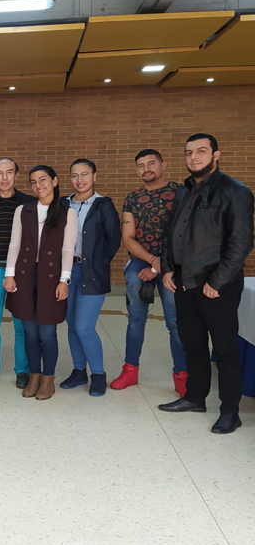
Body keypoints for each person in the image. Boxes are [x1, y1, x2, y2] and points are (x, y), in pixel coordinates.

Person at [159, 133, 254, 434]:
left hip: (216, 286)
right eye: (188, 153)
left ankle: (230, 411)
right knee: (194, 344)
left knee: (225, 349)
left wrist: (219, 280)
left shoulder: (234, 191)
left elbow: (241, 243)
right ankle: (195, 398)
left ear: (216, 155)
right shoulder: (184, 190)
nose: (193, 158)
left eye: (201, 151)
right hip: (184, 283)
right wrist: (166, 269)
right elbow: (170, 234)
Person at [113, 149, 187, 396]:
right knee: (135, 320)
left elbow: (185, 235)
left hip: (174, 263)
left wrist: (159, 266)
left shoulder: (181, 193)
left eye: (151, 163)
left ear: (163, 165)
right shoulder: (132, 198)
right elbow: (128, 237)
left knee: (175, 322)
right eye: (141, 165)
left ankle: (182, 375)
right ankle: (130, 370)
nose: (146, 168)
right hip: (141, 260)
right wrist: (152, 260)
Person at [4, 165, 77, 400]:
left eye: (43, 180)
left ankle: (48, 379)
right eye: (33, 182)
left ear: (55, 181)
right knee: (29, 332)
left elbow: (68, 249)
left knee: (47, 332)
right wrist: (9, 273)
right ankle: (34, 376)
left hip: (51, 279)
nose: (38, 186)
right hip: (25, 277)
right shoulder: (22, 211)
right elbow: (14, 244)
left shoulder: (67, 213)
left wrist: (64, 280)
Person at [60, 159, 121, 396]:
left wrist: (96, 263)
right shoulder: (63, 203)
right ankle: (78, 371)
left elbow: (113, 240)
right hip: (66, 272)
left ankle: (98, 374)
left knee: (85, 327)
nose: (79, 180)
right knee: (72, 326)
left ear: (94, 176)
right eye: (75, 175)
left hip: (92, 273)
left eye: (85, 174)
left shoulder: (104, 205)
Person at [0, 158, 36, 388]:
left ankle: (22, 370)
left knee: (22, 325)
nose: (4, 177)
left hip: (21, 272)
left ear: (17, 175)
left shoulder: (30, 203)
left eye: (9, 172)